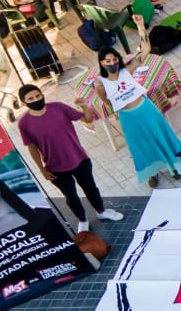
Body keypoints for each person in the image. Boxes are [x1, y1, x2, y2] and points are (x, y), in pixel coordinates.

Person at [82, 16, 181, 188]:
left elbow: (145, 49)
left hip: (146, 109)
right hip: (128, 118)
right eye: (107, 61)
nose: (112, 63)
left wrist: (140, 26)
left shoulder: (127, 70)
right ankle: (152, 173)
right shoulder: (100, 83)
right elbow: (107, 102)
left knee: (161, 136)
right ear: (102, 63)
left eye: (114, 59)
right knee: (141, 146)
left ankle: (173, 167)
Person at [17, 84, 124, 232]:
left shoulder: (58, 107)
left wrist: (84, 106)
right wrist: (42, 170)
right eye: (30, 98)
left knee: (91, 188)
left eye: (38, 96)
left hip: (79, 158)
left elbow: (87, 119)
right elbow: (32, 148)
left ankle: (101, 212)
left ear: (42, 95)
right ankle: (83, 220)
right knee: (71, 197)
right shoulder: (24, 123)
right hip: (54, 168)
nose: (36, 99)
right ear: (23, 103)